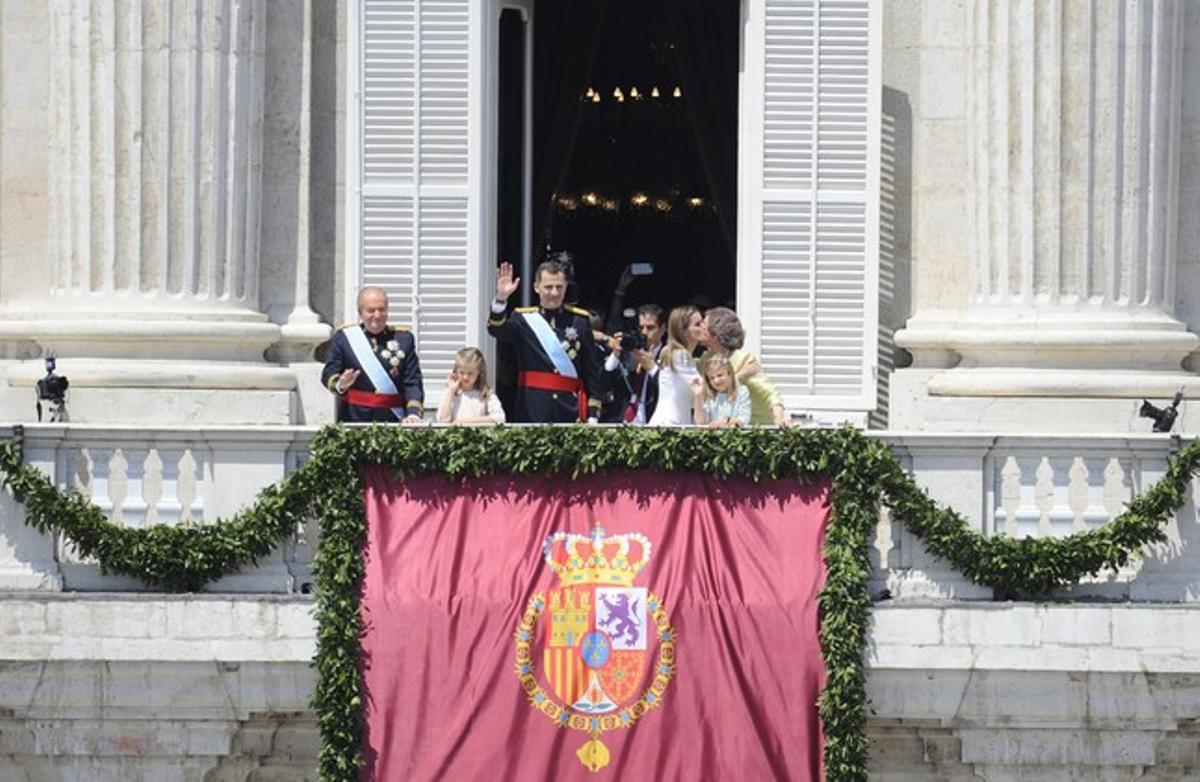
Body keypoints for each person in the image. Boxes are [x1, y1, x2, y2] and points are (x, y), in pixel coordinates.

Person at [487, 259, 602, 423]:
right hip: (533, 409)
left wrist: (592, 413)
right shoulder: (523, 320)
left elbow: (591, 370)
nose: (554, 293)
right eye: (548, 287)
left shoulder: (580, 321)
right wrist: (501, 298)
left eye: (559, 287)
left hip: (570, 410)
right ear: (536, 287)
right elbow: (495, 329)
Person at [322, 286, 424, 423]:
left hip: (394, 420)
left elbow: (412, 381)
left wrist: (413, 413)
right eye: (371, 310)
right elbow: (328, 372)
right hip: (355, 418)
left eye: (382, 310)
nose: (377, 315)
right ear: (360, 312)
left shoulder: (404, 339)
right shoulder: (345, 338)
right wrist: (341, 383)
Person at [700, 307, 789, 426]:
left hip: (754, 428)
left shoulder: (743, 359)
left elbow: (771, 394)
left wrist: (779, 419)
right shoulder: (705, 359)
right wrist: (739, 376)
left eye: (703, 325)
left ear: (715, 331)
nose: (700, 328)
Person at [604, 304, 666, 424]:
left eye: (650, 328)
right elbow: (603, 384)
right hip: (622, 420)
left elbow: (670, 390)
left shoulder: (668, 356)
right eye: (641, 327)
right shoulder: (629, 351)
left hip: (652, 421)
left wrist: (652, 368)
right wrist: (616, 353)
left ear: (663, 329)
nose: (644, 332)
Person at [647, 306, 705, 426]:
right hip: (669, 424)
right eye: (698, 324)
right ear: (684, 331)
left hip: (676, 422)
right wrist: (739, 375)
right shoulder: (679, 355)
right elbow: (704, 386)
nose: (703, 327)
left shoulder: (680, 354)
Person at [436, 347, 506, 424]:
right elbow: (442, 420)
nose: (465, 377)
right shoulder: (452, 394)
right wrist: (451, 391)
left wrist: (466, 422)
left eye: (470, 373)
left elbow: (499, 418)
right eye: (462, 372)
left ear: (479, 372)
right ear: (456, 371)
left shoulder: (486, 394)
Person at [691, 353, 751, 427]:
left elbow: (744, 419)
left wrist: (722, 422)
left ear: (729, 374)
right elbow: (700, 422)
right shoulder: (709, 395)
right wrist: (697, 395)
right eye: (712, 378)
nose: (716, 380)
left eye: (719, 375)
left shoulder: (742, 391)